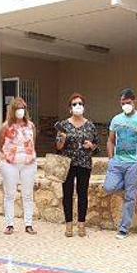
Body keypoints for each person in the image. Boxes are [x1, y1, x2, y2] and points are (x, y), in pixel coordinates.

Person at [103, 88, 137, 239]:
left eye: (128, 102)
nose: (126, 105)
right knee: (109, 187)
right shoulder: (116, 120)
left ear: (134, 102)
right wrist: (111, 158)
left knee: (130, 197)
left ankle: (124, 228)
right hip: (117, 163)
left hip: (134, 164)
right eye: (123, 103)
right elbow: (110, 140)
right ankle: (128, 185)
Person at [55, 93, 100, 237]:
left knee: (82, 194)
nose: (77, 106)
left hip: (84, 163)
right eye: (74, 104)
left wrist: (91, 145)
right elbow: (58, 147)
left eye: (80, 103)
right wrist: (62, 139)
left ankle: (81, 224)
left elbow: (97, 147)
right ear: (70, 108)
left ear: (84, 107)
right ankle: (68, 225)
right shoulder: (63, 125)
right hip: (67, 164)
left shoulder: (90, 126)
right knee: (67, 194)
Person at [0, 96, 38, 234]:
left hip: (28, 163)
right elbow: (0, 144)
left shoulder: (31, 126)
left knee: (27, 195)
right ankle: (9, 224)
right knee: (10, 194)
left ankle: (28, 224)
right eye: (18, 108)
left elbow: (32, 142)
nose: (20, 111)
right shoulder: (6, 126)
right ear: (13, 110)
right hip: (10, 163)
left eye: (23, 108)